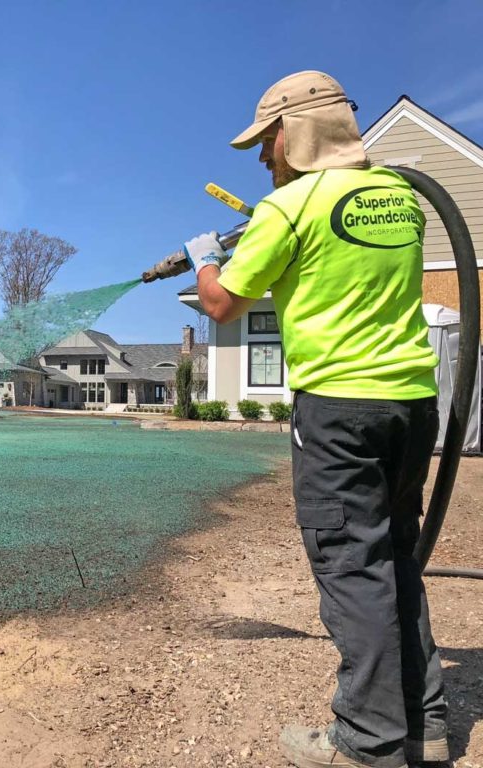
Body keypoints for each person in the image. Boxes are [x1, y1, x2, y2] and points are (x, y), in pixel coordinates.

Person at [184, 71, 448, 768]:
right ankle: (425, 723)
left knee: (353, 568)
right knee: (394, 558)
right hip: (412, 404)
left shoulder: (289, 210)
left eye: (265, 145)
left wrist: (207, 258)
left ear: (290, 135)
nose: (262, 160)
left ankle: (369, 743)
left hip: (339, 410)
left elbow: (220, 305)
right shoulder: (401, 196)